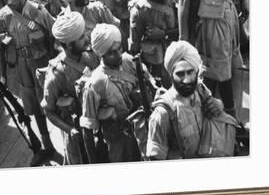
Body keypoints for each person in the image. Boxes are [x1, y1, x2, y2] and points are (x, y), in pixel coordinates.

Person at [0, 0, 56, 164]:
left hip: (43, 63)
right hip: (22, 66)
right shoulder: (3, 16)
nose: (8, 2)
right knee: (34, 107)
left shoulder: (39, 12)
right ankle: (47, 146)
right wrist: (3, 75)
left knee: (52, 103)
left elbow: (55, 37)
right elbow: (3, 46)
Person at [80, 24, 153, 162]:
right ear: (101, 54)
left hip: (144, 131)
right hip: (119, 143)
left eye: (119, 48)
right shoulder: (96, 84)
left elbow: (152, 86)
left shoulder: (131, 62)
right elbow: (87, 129)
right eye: (112, 53)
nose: (119, 54)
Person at [146, 40, 225, 160]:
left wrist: (218, 105)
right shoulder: (162, 114)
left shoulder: (201, 91)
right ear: (171, 75)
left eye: (190, 72)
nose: (187, 80)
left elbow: (217, 109)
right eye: (180, 74)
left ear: (196, 71)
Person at [41, 12, 99, 165]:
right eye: (81, 38)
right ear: (68, 44)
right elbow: (49, 111)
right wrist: (70, 130)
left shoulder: (92, 55)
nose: (86, 39)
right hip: (77, 137)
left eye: (84, 34)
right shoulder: (56, 75)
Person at [129, 0, 178, 80]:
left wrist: (164, 34)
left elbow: (188, 27)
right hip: (159, 64)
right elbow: (134, 47)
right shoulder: (139, 11)